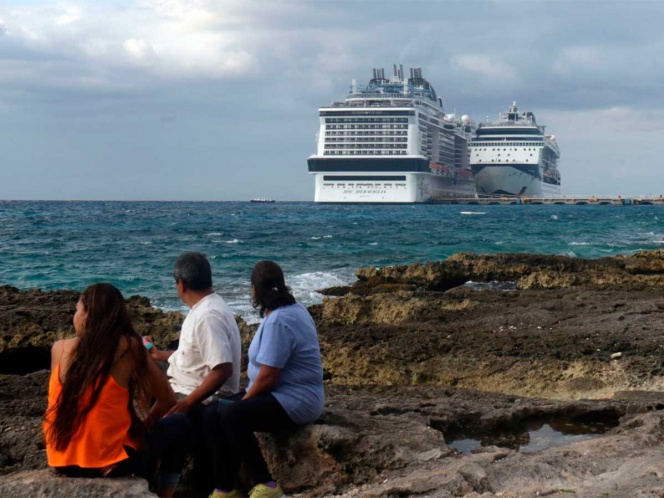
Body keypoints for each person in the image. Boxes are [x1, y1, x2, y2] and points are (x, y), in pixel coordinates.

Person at [205, 260, 324, 498]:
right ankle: (225, 488)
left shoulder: (281, 319)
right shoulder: (287, 311)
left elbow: (269, 376)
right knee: (211, 413)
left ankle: (266, 485)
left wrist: (245, 400)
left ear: (255, 290)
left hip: (295, 399)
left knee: (231, 413)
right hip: (277, 394)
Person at [43, 283, 176, 478]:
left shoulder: (59, 348)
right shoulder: (129, 347)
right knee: (179, 424)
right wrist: (145, 424)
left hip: (60, 460)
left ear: (88, 314)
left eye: (77, 310)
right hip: (108, 464)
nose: (75, 316)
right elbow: (167, 399)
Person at [144, 252, 242, 497]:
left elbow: (221, 369)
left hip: (198, 396)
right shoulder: (204, 308)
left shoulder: (208, 316)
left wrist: (186, 403)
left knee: (152, 427)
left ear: (181, 284)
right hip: (185, 386)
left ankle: (146, 477)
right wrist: (157, 355)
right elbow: (193, 356)